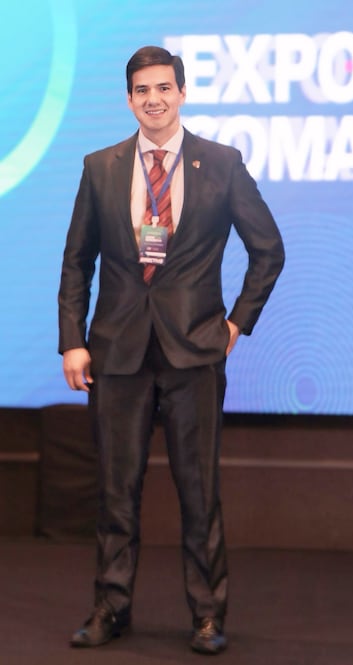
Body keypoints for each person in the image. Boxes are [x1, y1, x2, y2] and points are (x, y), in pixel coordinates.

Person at [58, 45, 284, 654]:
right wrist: (72, 341)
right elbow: (77, 262)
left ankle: (208, 616)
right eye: (142, 90)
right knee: (115, 491)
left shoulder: (222, 163)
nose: (153, 99)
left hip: (195, 355)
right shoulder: (100, 167)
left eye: (164, 87)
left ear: (182, 93)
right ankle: (110, 607)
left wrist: (235, 326)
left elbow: (269, 250)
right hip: (116, 355)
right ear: (129, 99)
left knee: (199, 492)